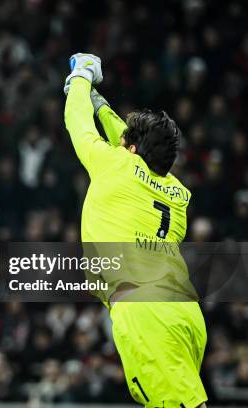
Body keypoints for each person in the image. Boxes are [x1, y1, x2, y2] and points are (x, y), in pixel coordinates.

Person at [63, 54, 207, 407]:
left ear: (128, 149)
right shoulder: (178, 194)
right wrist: (101, 105)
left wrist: (81, 78)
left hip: (146, 312)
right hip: (185, 312)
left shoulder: (115, 165)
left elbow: (75, 123)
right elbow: (131, 147)